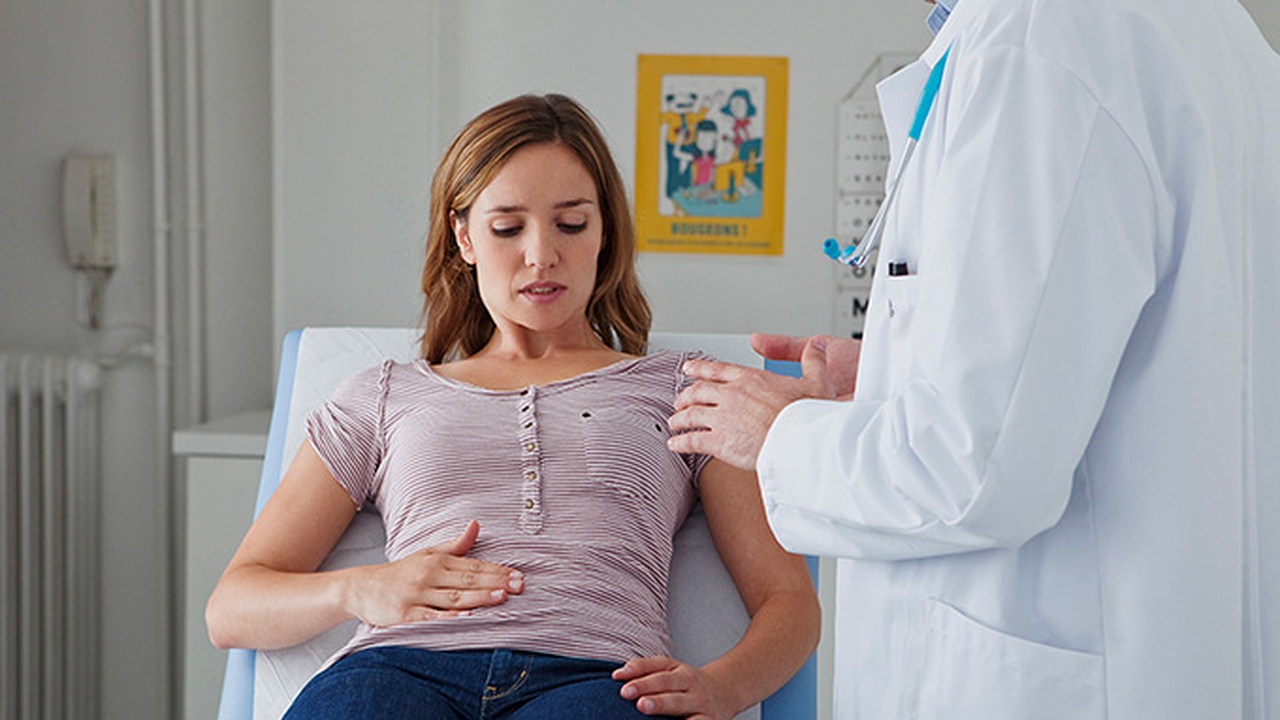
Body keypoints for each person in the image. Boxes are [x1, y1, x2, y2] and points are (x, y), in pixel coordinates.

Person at [667, 0, 1280, 718]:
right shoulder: (1220, 34)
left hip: (1055, 678)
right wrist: (899, 367)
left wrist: (777, 434)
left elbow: (971, 466)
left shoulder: (1041, 38)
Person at [206, 93, 819, 720]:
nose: (541, 255)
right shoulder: (383, 396)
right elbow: (231, 607)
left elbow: (789, 601)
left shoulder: (689, 388)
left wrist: (723, 687)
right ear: (463, 236)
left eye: (571, 224)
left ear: (604, 232)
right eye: (507, 228)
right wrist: (360, 589)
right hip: (395, 671)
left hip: (598, 679)